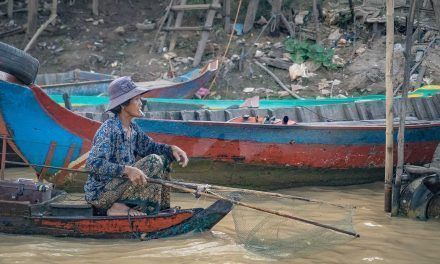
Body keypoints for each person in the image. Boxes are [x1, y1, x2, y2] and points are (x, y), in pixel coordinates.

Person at [84, 76, 188, 216]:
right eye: (136, 99)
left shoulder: (133, 129)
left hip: (121, 188)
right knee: (153, 161)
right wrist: (127, 170)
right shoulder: (109, 129)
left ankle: (160, 210)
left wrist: (172, 149)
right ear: (122, 104)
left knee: (163, 159)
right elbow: (92, 164)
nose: (141, 103)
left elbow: (151, 147)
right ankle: (117, 208)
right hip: (101, 195)